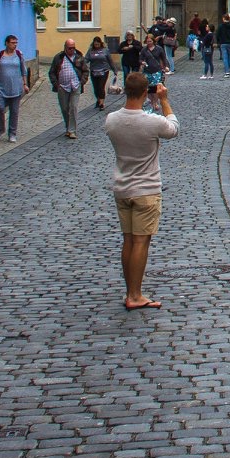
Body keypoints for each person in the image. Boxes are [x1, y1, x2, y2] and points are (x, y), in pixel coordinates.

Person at [103, 71, 179, 311]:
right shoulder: (151, 121)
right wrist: (164, 101)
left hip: (122, 186)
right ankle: (135, 294)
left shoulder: (112, 120)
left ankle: (130, 290)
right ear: (146, 93)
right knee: (141, 242)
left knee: (128, 240)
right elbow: (173, 128)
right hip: (146, 188)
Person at [0, 34, 28, 142]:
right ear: (7, 43)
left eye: (16, 42)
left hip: (15, 87)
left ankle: (12, 133)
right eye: (13, 42)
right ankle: (0, 129)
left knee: (14, 111)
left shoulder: (19, 54)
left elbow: (23, 70)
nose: (15, 45)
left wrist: (25, 84)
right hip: (0, 86)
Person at [50, 38, 87, 139]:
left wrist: (82, 81)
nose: (72, 50)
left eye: (73, 48)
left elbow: (85, 71)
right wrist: (56, 84)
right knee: (65, 108)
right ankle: (68, 127)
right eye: (70, 48)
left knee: (73, 107)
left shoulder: (79, 57)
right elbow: (52, 72)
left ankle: (72, 130)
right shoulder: (59, 57)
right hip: (63, 87)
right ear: (65, 48)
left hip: (76, 85)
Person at [85, 36, 113, 110]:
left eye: (98, 44)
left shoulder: (105, 50)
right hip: (94, 71)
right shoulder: (90, 50)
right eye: (95, 44)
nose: (96, 46)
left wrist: (114, 70)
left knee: (101, 87)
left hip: (104, 71)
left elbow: (110, 60)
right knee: (96, 88)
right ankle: (98, 100)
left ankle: (101, 103)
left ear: (100, 44)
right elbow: (86, 59)